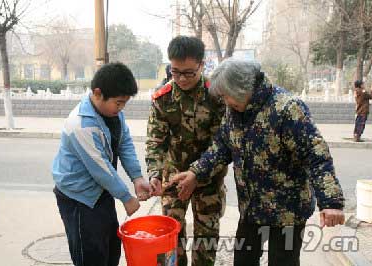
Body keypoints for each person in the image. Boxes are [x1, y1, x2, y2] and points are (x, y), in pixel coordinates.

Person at [172, 58, 345, 266]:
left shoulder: (287, 109)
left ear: (242, 89)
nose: (226, 102)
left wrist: (331, 203)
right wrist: (195, 173)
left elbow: (316, 155)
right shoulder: (235, 111)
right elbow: (221, 147)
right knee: (243, 260)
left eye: (227, 96)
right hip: (252, 209)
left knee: (283, 262)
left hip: (287, 213)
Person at [52, 62, 151, 266]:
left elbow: (125, 144)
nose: (121, 108)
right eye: (118, 102)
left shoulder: (114, 114)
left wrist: (137, 177)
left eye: (125, 103)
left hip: (101, 191)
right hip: (78, 197)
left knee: (111, 247)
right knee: (90, 254)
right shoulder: (80, 125)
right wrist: (126, 197)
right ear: (98, 93)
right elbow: (101, 169)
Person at [146, 36, 227, 266]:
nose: (181, 78)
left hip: (208, 179)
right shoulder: (163, 98)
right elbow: (155, 141)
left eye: (189, 72)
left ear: (202, 65)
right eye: (175, 71)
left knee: (206, 241)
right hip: (172, 178)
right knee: (171, 241)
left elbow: (222, 144)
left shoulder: (217, 97)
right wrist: (154, 174)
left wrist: (197, 174)